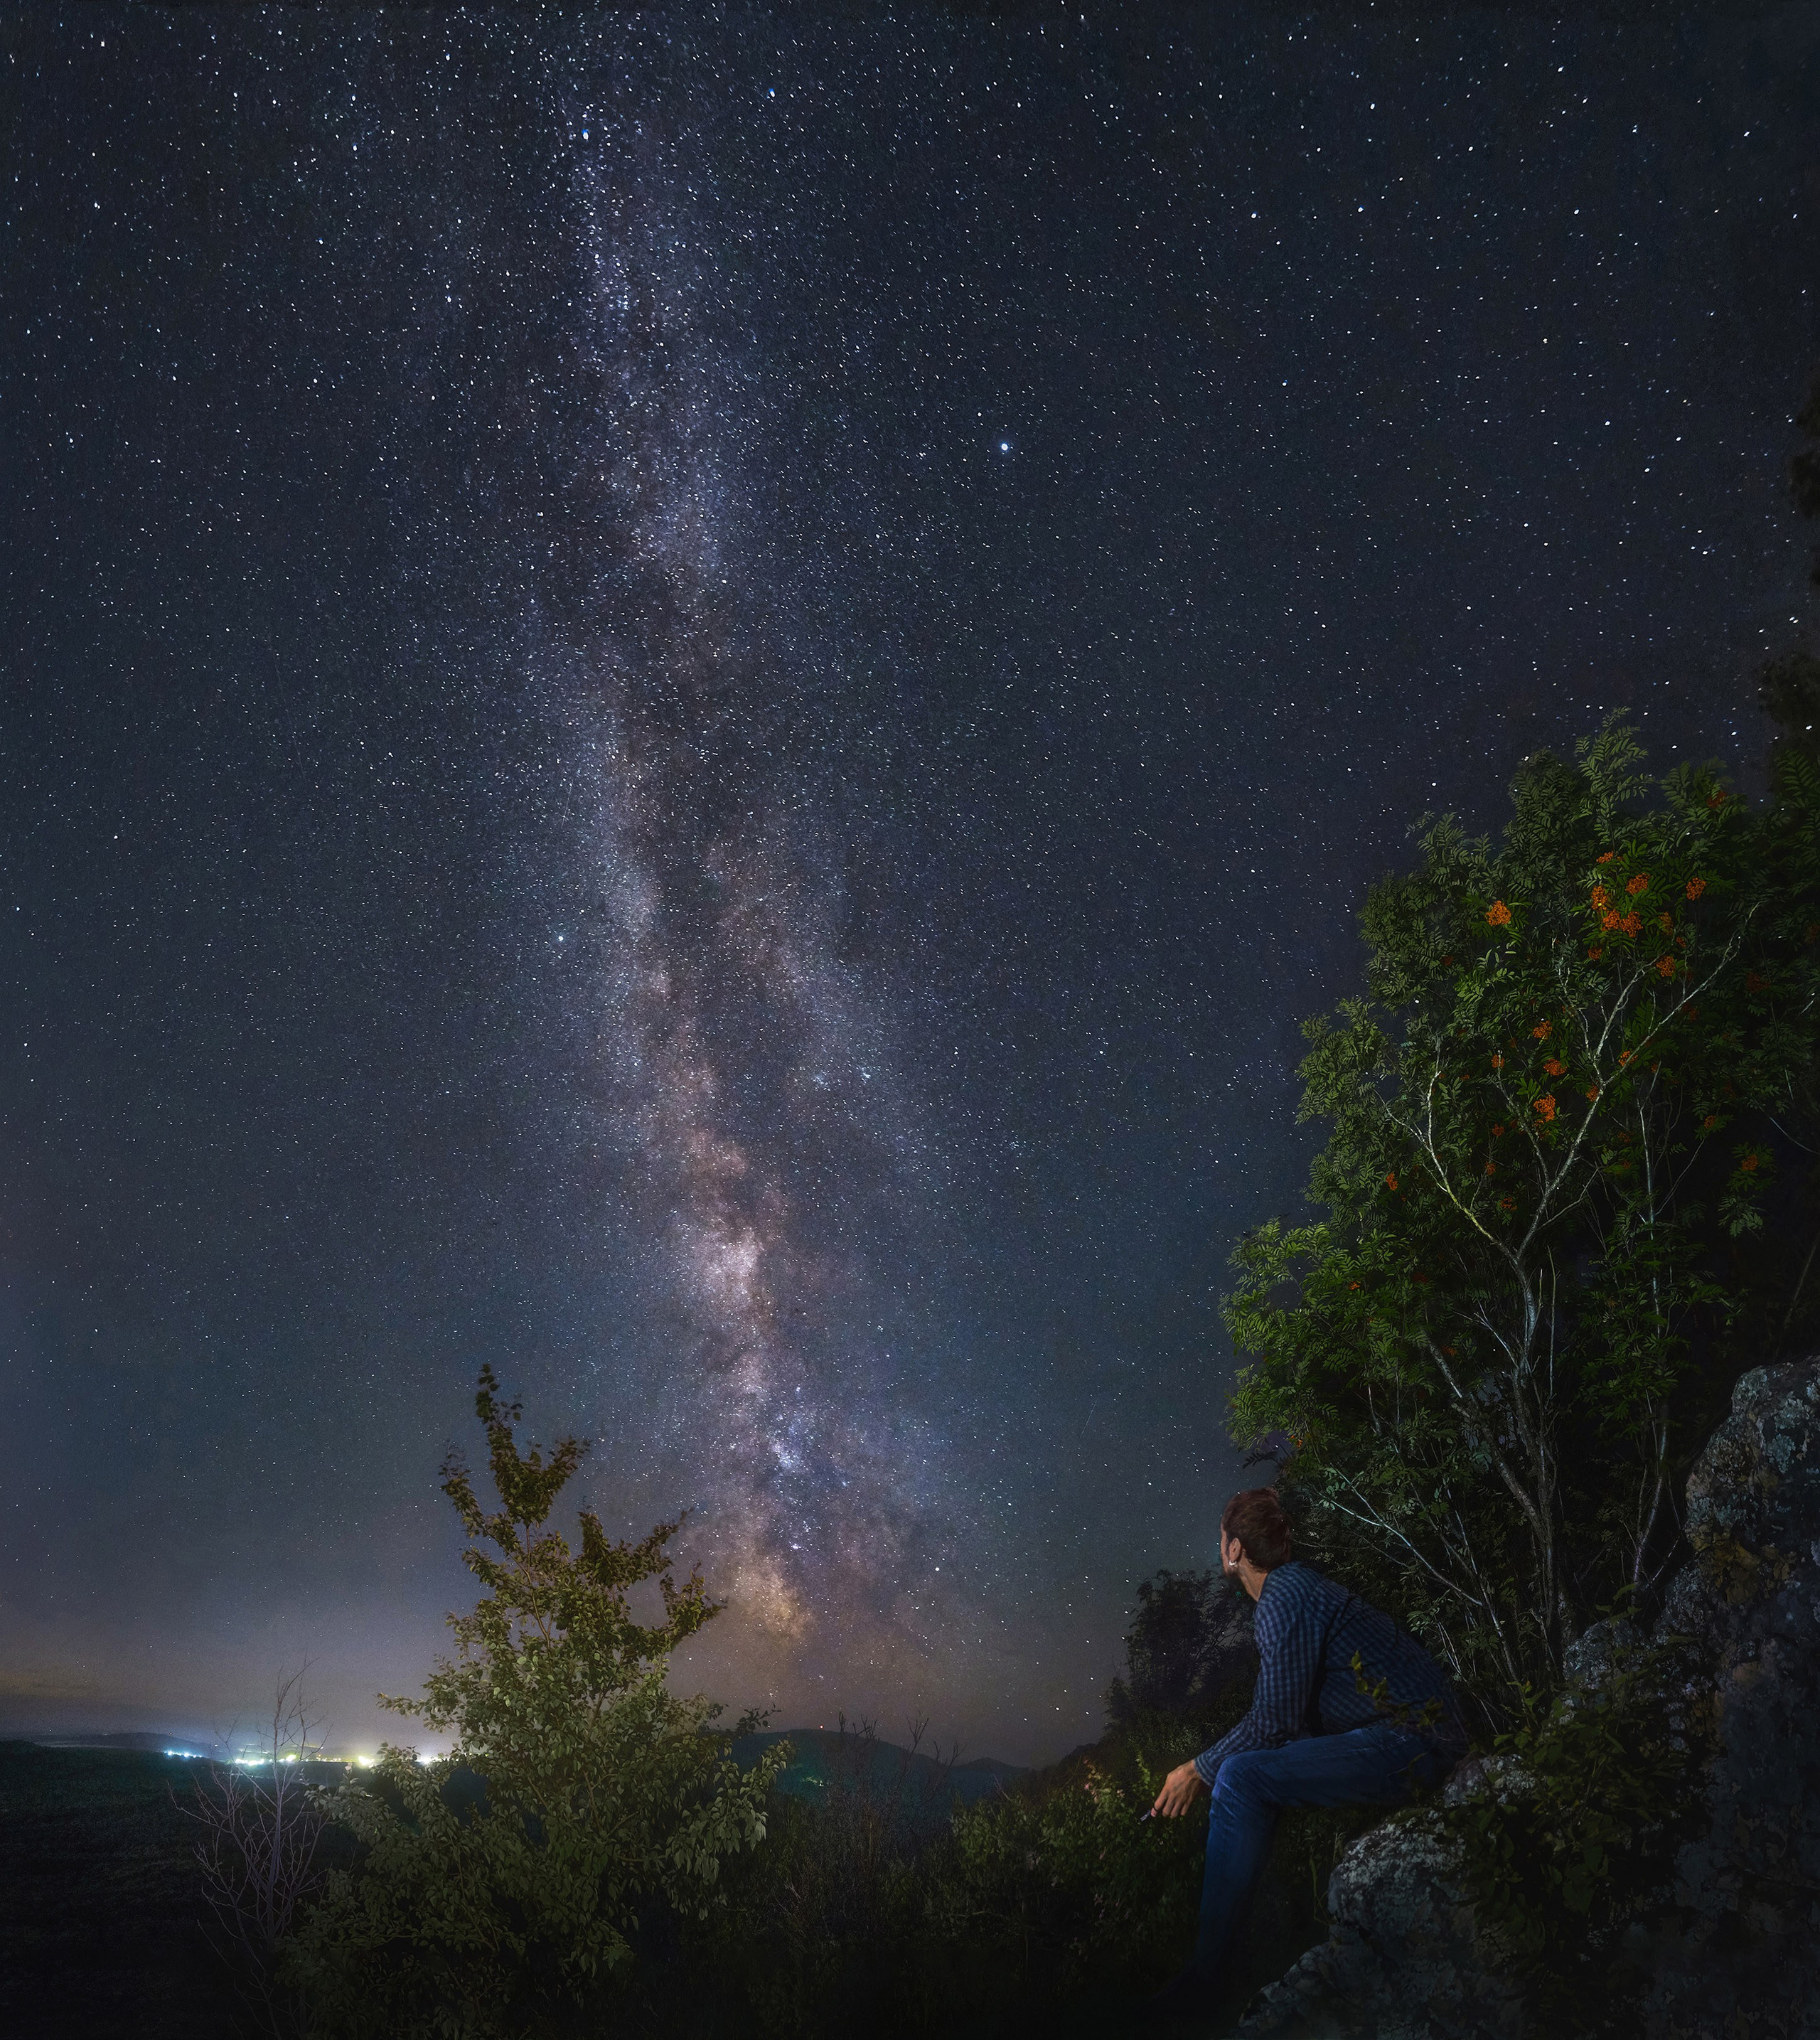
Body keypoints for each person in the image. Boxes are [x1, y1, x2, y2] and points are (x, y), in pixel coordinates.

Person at [1140, 1487, 1469, 2026]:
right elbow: (1286, 1723)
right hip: (1414, 1734)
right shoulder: (1294, 1590)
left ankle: (1206, 1981)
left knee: (1241, 1777)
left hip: (1415, 1740)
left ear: (1236, 1548)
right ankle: (1241, 1956)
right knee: (1253, 1767)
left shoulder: (1283, 1597)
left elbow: (1271, 1723)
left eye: (1222, 1539)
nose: (1220, 1547)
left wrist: (1198, 1768)